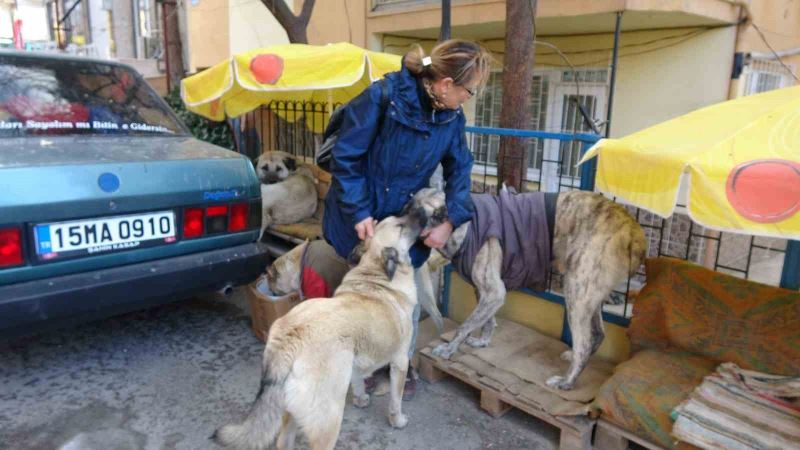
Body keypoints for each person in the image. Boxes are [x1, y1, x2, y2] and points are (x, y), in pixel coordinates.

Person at [314, 39, 492, 399]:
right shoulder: (382, 96)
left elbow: (461, 170)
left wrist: (449, 220)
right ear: (445, 85)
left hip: (402, 223)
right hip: (356, 215)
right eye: (469, 91)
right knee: (358, 291)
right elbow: (346, 159)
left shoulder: (451, 118)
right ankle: (356, 364)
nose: (467, 100)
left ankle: (400, 365)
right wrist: (359, 211)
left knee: (403, 297)